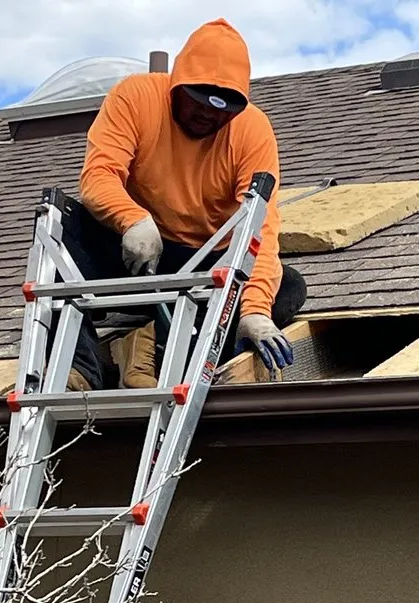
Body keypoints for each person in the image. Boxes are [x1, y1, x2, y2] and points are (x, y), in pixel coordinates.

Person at [60, 17, 306, 392]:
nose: (209, 114)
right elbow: (99, 176)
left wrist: (255, 311)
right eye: (199, 100)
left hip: (207, 267)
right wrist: (131, 219)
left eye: (224, 109)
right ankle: (78, 369)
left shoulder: (252, 130)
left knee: (285, 288)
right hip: (136, 253)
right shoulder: (136, 98)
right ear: (177, 85)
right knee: (61, 229)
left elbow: (261, 226)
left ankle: (148, 347)